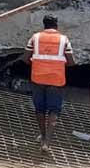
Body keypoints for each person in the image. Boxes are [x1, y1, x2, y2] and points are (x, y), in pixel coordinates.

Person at [25, 15, 75, 154]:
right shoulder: (64, 39)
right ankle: (47, 142)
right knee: (54, 110)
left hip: (38, 78)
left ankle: (43, 135)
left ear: (44, 25)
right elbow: (71, 62)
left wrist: (37, 63)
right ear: (56, 25)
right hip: (56, 80)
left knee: (39, 109)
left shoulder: (35, 38)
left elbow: (25, 58)